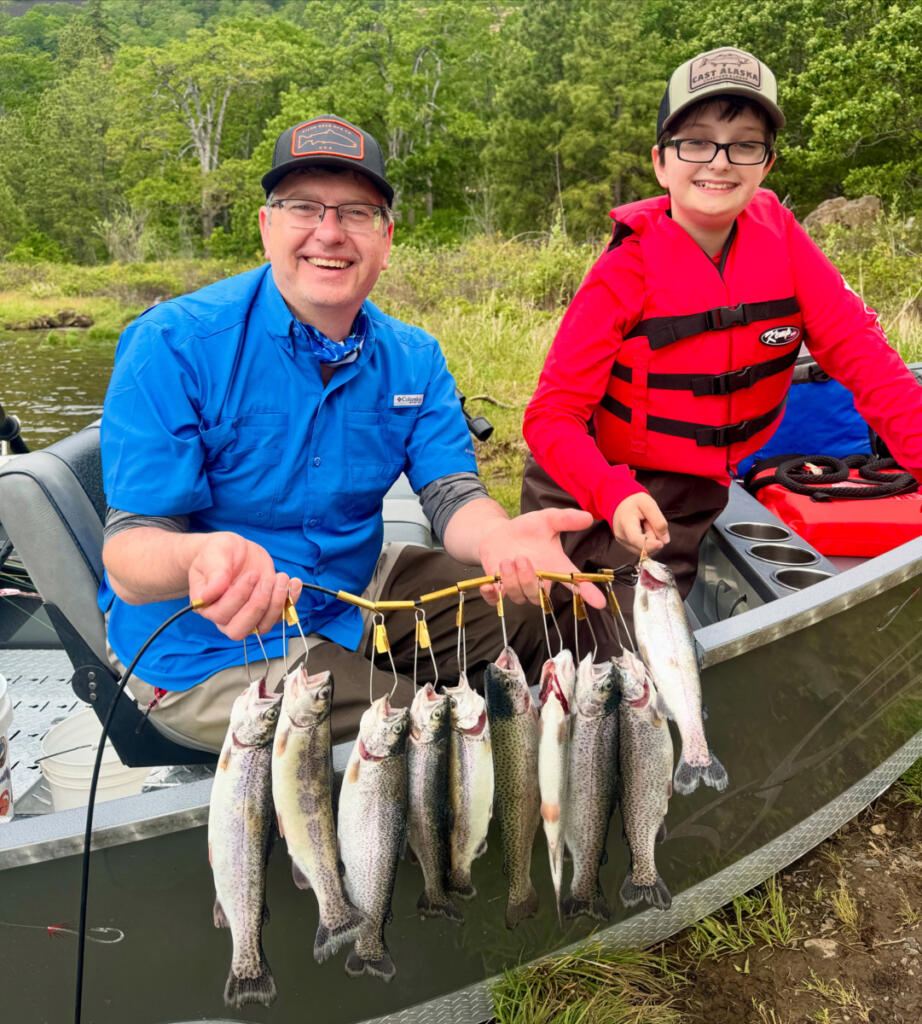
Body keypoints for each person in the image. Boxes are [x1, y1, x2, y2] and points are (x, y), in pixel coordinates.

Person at [100, 115, 602, 752]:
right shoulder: (172, 345)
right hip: (205, 647)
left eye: (357, 212)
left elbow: (451, 495)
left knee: (537, 609)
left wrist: (501, 537)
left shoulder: (413, 358)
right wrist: (201, 557)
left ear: (386, 238)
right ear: (267, 227)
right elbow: (129, 557)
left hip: (351, 593)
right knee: (419, 733)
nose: (329, 233)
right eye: (303, 207)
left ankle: (558, 789)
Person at [521, 46, 922, 652]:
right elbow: (550, 417)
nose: (719, 161)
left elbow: (868, 364)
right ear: (661, 162)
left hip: (695, 490)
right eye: (697, 141)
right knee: (605, 655)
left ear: (766, 163)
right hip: (592, 490)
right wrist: (613, 491)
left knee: (653, 653)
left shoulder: (783, 241)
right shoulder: (623, 273)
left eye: (744, 144)